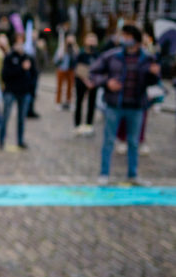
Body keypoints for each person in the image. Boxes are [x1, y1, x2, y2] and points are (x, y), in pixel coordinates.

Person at [90, 24, 160, 185]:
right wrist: (107, 82)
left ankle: (133, 174)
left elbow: (153, 83)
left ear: (136, 39)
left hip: (136, 106)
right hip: (115, 104)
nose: (124, 39)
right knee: (109, 140)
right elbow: (93, 72)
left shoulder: (148, 58)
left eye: (128, 36)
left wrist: (154, 74)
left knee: (134, 142)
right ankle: (104, 174)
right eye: (124, 35)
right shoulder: (112, 56)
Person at [0, 34, 38, 150]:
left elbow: (34, 74)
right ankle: (1, 140)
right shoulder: (9, 57)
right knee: (5, 117)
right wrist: (21, 68)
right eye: (18, 43)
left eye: (22, 43)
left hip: (24, 92)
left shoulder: (28, 58)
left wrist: (31, 89)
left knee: (21, 119)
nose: (20, 46)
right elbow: (5, 75)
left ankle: (20, 141)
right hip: (10, 91)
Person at [73, 32, 99, 136]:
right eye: (90, 40)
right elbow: (78, 68)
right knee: (79, 102)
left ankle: (89, 124)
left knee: (92, 103)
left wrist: (93, 81)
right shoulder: (81, 54)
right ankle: (77, 125)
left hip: (93, 82)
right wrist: (86, 80)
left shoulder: (97, 54)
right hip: (81, 81)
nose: (91, 42)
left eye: (93, 40)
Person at [54, 32, 77, 110]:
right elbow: (55, 60)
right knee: (59, 87)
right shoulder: (61, 48)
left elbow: (77, 58)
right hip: (62, 69)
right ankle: (58, 102)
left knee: (70, 87)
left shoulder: (75, 48)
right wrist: (60, 57)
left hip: (71, 70)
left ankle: (68, 102)